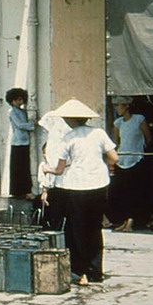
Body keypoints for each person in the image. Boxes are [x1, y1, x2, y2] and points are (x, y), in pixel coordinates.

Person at [42, 99, 118, 285]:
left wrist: (47, 170)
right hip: (99, 185)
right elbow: (114, 158)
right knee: (94, 228)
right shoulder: (99, 133)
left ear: (69, 119)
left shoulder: (67, 138)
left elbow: (59, 170)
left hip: (76, 187)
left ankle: (81, 272)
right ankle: (96, 271)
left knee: (77, 230)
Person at [109, 96, 152, 231]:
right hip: (122, 160)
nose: (117, 108)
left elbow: (148, 138)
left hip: (136, 159)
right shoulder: (118, 123)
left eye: (119, 105)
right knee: (122, 192)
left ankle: (132, 221)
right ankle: (124, 220)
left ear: (126, 106)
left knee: (135, 192)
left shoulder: (139, 119)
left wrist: (140, 151)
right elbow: (116, 143)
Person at [37, 110, 70, 231]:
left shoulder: (56, 141)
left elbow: (53, 166)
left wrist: (46, 188)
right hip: (63, 184)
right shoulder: (63, 138)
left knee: (59, 218)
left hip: (61, 184)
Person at [5, 87, 35, 199]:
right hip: (17, 142)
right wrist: (32, 125)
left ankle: (25, 190)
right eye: (17, 100)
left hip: (25, 142)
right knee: (17, 168)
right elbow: (20, 125)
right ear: (12, 101)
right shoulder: (12, 112)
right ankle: (17, 191)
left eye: (21, 99)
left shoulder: (23, 112)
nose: (20, 102)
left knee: (25, 168)